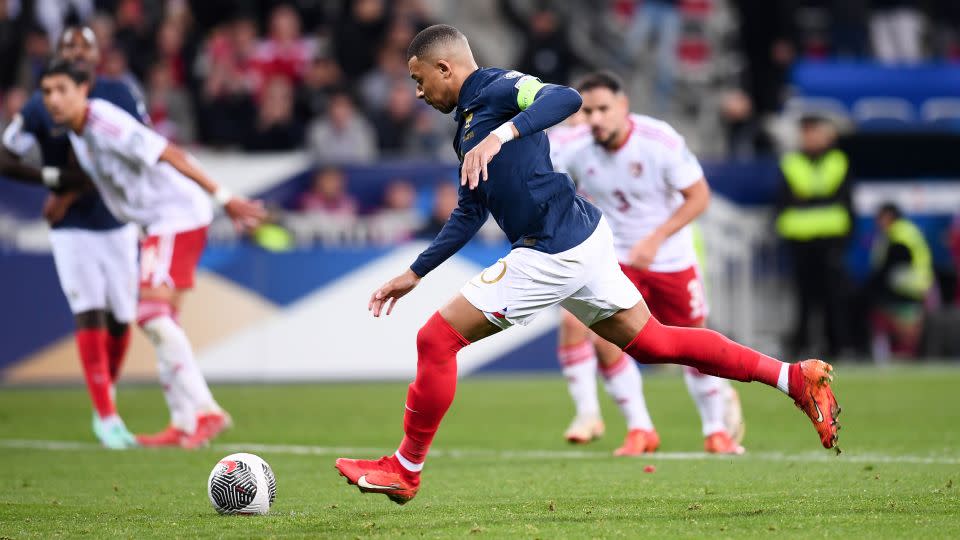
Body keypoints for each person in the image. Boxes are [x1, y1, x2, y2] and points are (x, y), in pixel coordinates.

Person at [335, 24, 840, 505]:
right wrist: (416, 273)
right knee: (655, 341)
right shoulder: (465, 127)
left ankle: (405, 469)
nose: (419, 93)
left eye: (419, 80)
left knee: (436, 340)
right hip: (582, 239)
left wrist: (504, 135)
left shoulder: (496, 87)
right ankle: (794, 378)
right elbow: (470, 210)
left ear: (445, 68)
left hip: (552, 248)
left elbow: (565, 98)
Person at [37, 58, 267, 448]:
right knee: (164, 320)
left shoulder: (104, 122)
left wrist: (224, 197)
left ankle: (206, 410)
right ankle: (181, 422)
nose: (53, 100)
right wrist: (65, 198)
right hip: (161, 221)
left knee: (151, 315)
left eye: (62, 90)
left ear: (82, 91)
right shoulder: (78, 134)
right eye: (46, 92)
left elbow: (169, 153)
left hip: (176, 215)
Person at [551, 71, 745, 455]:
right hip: (615, 257)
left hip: (670, 257)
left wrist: (656, 239)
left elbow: (699, 196)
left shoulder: (660, 141)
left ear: (623, 107)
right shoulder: (571, 144)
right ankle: (640, 428)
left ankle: (715, 430)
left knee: (693, 341)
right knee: (606, 337)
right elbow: (530, 163)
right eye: (587, 111)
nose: (595, 119)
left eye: (603, 109)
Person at [0, 26, 145, 449]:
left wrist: (72, 190)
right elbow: (5, 154)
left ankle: (106, 399)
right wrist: (54, 179)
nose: (77, 52)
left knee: (122, 318)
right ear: (58, 53)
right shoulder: (43, 103)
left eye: (85, 46)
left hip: (117, 221)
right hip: (71, 230)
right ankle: (106, 415)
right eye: (69, 46)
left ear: (98, 56)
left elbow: (136, 152)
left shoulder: (120, 93)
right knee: (89, 311)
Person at [774, 115, 854, 357]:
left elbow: (838, 198)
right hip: (800, 240)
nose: (811, 137)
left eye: (815, 132)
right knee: (804, 298)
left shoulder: (838, 160)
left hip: (830, 240)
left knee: (832, 296)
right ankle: (803, 347)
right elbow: (787, 200)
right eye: (807, 132)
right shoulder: (792, 162)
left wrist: (806, 198)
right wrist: (818, 198)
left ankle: (836, 346)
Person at [866, 203, 934, 360]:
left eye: (880, 218)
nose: (878, 222)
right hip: (915, 285)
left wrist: (872, 285)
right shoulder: (904, 231)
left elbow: (891, 265)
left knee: (883, 309)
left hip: (907, 286)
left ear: (889, 217)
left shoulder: (898, 235)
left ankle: (892, 348)